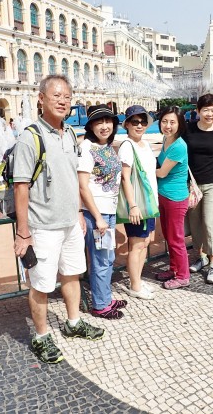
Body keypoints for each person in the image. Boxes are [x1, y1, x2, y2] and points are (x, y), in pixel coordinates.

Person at [12, 75, 104, 364]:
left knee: (72, 274)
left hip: (69, 223)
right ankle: (40, 336)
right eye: (56, 96)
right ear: (41, 99)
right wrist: (23, 232)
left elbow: (72, 179)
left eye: (67, 96)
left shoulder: (71, 135)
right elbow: (21, 186)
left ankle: (73, 322)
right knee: (40, 284)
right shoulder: (30, 137)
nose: (63, 101)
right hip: (42, 228)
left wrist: (78, 212)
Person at [78, 105, 127, 319]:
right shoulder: (87, 147)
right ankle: (100, 305)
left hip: (108, 210)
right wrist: (97, 217)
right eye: (99, 122)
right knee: (100, 259)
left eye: (108, 121)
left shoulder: (105, 146)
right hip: (95, 212)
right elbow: (82, 185)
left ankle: (105, 297)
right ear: (91, 126)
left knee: (107, 257)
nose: (105, 126)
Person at [183, 93, 213, 284]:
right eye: (206, 110)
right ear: (198, 111)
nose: (210, 114)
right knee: (195, 223)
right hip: (192, 184)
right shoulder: (188, 129)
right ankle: (201, 257)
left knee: (209, 222)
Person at [118, 105, 159, 299]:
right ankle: (135, 286)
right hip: (138, 205)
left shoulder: (145, 144)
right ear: (127, 124)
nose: (140, 125)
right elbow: (125, 177)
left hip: (149, 202)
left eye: (143, 121)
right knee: (136, 244)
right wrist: (132, 205)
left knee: (146, 242)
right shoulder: (127, 146)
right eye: (135, 122)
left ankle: (138, 280)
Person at [154, 106, 190, 289]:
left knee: (176, 238)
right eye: (164, 121)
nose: (167, 125)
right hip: (164, 195)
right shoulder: (166, 139)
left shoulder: (179, 145)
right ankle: (174, 268)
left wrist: (142, 169)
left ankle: (183, 276)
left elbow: (161, 173)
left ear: (179, 124)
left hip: (176, 198)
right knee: (169, 236)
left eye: (172, 122)